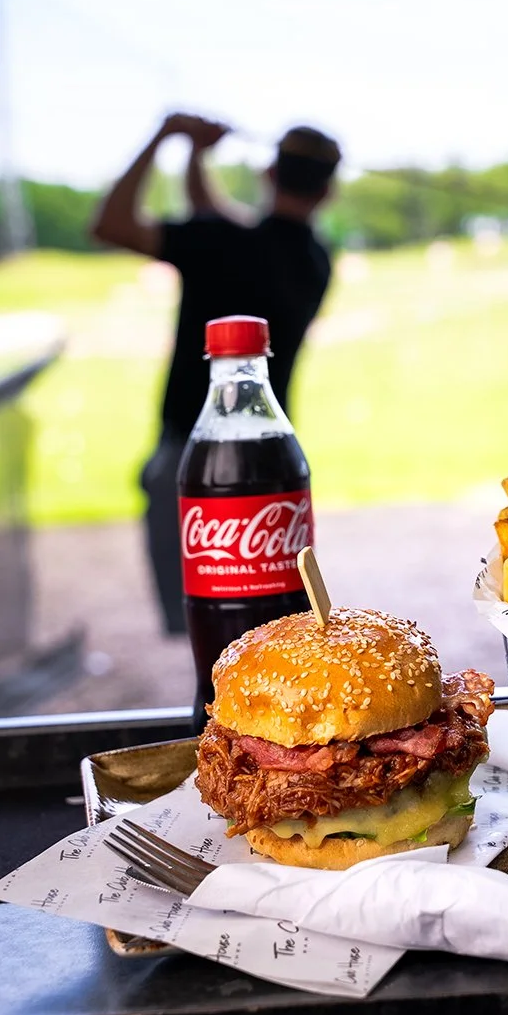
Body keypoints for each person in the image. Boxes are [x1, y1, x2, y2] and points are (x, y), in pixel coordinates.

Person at [90, 112, 340, 633]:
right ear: (329, 191)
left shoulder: (217, 243)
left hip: (191, 450)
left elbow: (110, 223)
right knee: (264, 623)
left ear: (270, 174)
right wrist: (195, 154)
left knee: (210, 622)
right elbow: (211, 214)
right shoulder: (315, 260)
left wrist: (169, 135)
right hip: (272, 455)